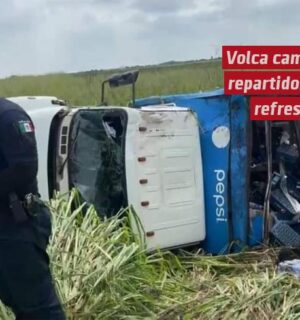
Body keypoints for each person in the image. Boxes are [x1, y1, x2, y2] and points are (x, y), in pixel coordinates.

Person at [0, 98, 66, 319]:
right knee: (17, 301)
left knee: (38, 309)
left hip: (17, 226)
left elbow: (24, 168)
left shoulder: (8, 116)